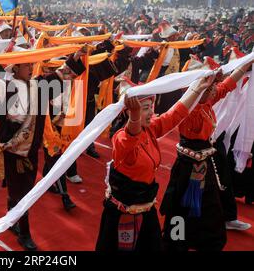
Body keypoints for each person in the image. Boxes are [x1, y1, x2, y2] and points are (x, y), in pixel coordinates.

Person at [0, 46, 87, 251]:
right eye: (27, 65)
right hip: (14, 149)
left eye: (31, 64)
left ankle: (11, 219)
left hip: (31, 149)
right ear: (15, 68)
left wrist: (76, 56)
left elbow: (62, 74)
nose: (31, 68)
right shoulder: (9, 86)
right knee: (22, 192)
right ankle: (23, 233)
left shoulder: (38, 85)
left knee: (20, 188)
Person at [95, 74, 216, 251]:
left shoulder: (149, 129)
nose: (151, 111)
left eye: (151, 106)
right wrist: (135, 117)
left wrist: (198, 88)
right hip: (124, 215)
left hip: (147, 209)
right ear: (129, 112)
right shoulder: (121, 138)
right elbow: (131, 136)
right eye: (145, 108)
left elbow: (176, 114)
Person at [161, 59, 254, 251]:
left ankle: (204, 240)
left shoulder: (208, 101)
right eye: (209, 87)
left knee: (209, 207)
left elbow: (227, 85)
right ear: (199, 90)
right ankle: (177, 242)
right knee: (182, 208)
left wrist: (245, 63)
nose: (214, 89)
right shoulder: (189, 110)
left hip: (205, 161)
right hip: (188, 167)